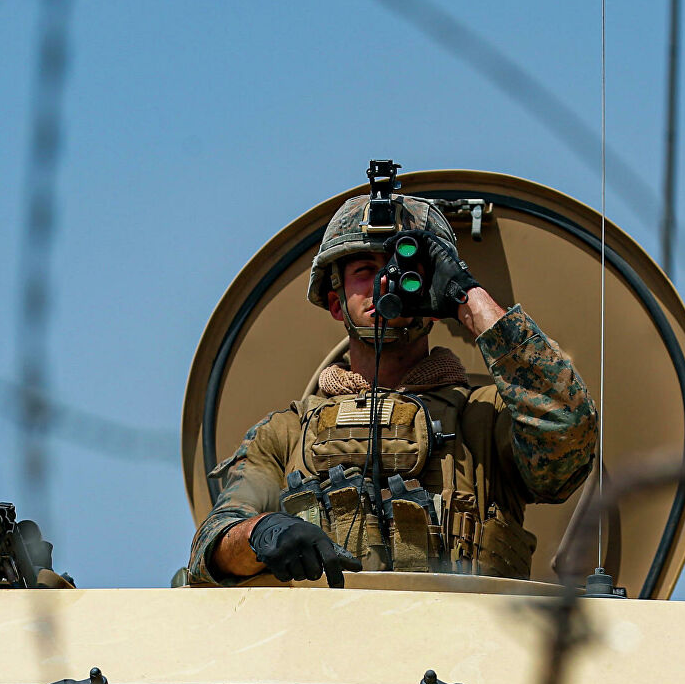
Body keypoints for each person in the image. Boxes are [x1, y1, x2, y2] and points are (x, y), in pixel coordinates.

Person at [184, 191, 598, 587]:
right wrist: (261, 533)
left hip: (467, 634)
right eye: (365, 271)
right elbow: (210, 548)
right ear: (336, 303)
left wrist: (467, 297)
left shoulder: (487, 419)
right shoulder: (284, 435)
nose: (385, 282)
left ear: (432, 302)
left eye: (403, 271)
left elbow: (567, 432)